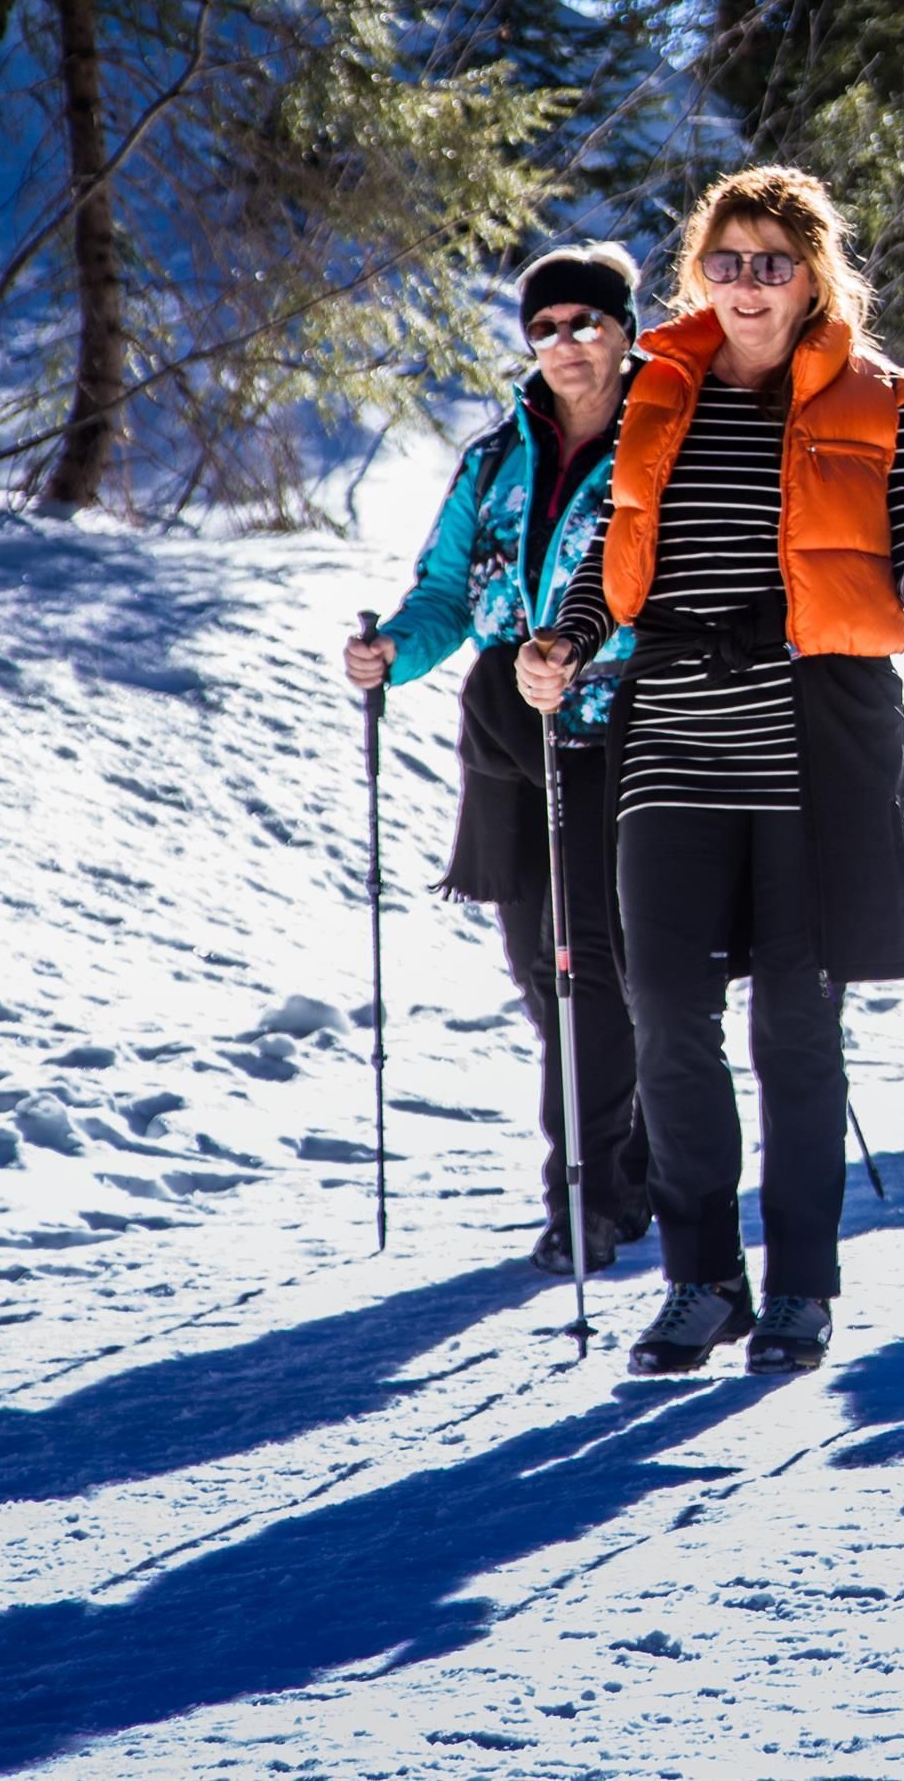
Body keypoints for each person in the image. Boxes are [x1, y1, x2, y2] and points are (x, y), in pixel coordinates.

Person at [519, 167, 904, 1379]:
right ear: (695, 274)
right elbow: (613, 542)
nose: (748, 283)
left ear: (814, 274)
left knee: (795, 1028)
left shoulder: (883, 399)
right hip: (670, 741)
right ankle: (702, 1278)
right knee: (664, 1011)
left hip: (807, 743)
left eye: (772, 261)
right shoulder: (657, 386)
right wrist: (561, 638)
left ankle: (802, 1287)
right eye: (726, 260)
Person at [344, 244, 652, 1275]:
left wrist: (587, 652)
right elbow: (443, 591)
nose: (566, 344)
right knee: (539, 967)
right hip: (508, 731)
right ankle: (627, 1144)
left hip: (622, 722)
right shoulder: (494, 457)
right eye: (546, 326)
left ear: (623, 328)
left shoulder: (667, 438)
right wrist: (393, 649)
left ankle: (591, 1194)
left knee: (594, 966)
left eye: (586, 323)